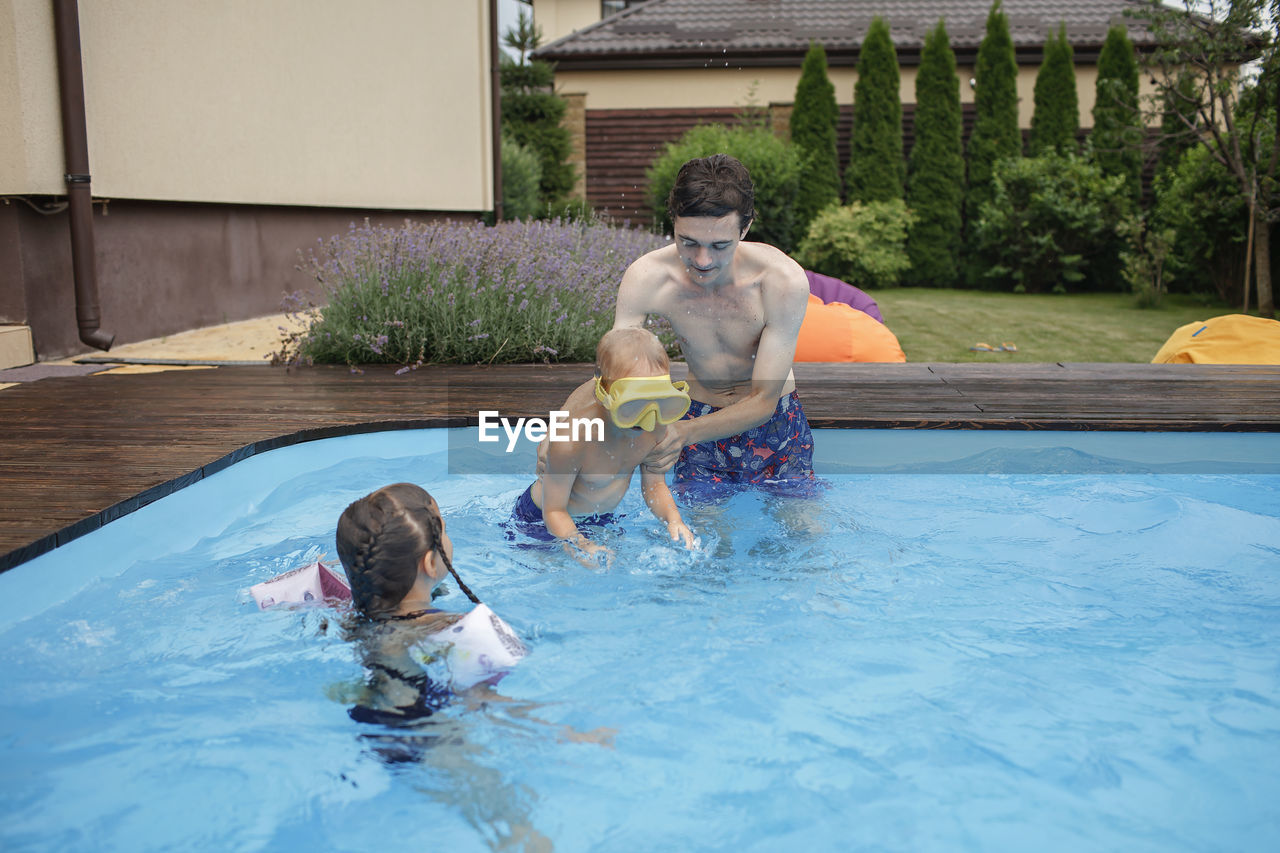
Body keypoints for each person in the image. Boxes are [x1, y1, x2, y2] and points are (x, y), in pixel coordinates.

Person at [613, 154, 816, 486]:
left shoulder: (780, 280)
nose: (703, 260)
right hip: (697, 413)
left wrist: (683, 432)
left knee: (796, 532)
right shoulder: (648, 278)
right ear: (673, 222)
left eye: (720, 245)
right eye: (688, 242)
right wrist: (567, 431)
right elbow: (614, 373)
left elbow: (763, 400)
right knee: (707, 536)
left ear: (745, 227)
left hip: (775, 422)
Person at [336, 483, 526, 726]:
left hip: (368, 714)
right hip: (427, 730)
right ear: (430, 564)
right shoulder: (448, 628)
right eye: (444, 531)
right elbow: (485, 701)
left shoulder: (352, 615)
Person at [512, 327, 697, 564]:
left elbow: (654, 487)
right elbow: (554, 511)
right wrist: (579, 544)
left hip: (601, 518)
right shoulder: (573, 440)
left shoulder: (654, 426)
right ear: (603, 392)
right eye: (634, 402)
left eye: (657, 398)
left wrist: (674, 519)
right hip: (542, 519)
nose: (648, 415)